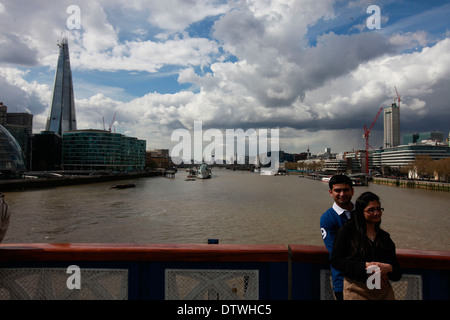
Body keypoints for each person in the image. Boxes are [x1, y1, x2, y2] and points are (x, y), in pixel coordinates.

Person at [331, 191, 402, 300]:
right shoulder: (347, 232)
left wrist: (389, 268)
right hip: (357, 290)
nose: (376, 213)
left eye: (378, 209)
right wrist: (364, 266)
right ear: (360, 212)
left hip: (383, 291)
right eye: (371, 210)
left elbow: (397, 272)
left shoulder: (384, 237)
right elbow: (337, 260)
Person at [320, 174, 355, 300]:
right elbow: (336, 251)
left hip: (371, 278)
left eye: (345, 190)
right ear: (330, 192)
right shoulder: (327, 218)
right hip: (343, 281)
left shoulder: (364, 213)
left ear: (352, 191)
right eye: (337, 190)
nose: (342, 194)